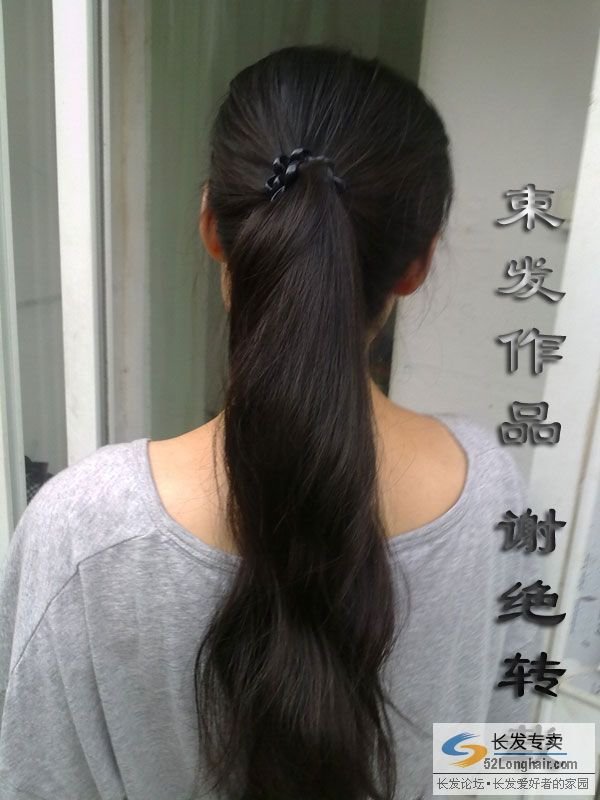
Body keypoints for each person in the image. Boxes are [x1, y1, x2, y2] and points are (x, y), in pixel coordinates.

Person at [0, 44, 540, 800]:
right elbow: (506, 765)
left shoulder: (82, 533)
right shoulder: (493, 495)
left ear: (211, 226)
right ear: (417, 264)